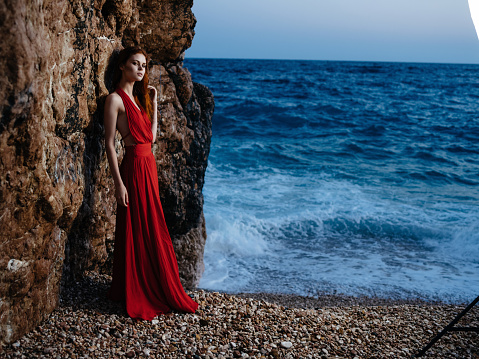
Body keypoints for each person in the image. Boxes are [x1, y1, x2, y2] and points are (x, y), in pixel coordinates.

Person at [103, 46, 198, 320]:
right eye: (135, 64)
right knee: (136, 226)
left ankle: (154, 282)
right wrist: (119, 184)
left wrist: (154, 105)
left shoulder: (137, 100)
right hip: (133, 168)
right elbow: (110, 144)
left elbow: (151, 138)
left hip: (148, 167)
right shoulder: (115, 100)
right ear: (122, 66)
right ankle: (135, 286)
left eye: (143, 65)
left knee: (153, 224)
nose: (141, 69)